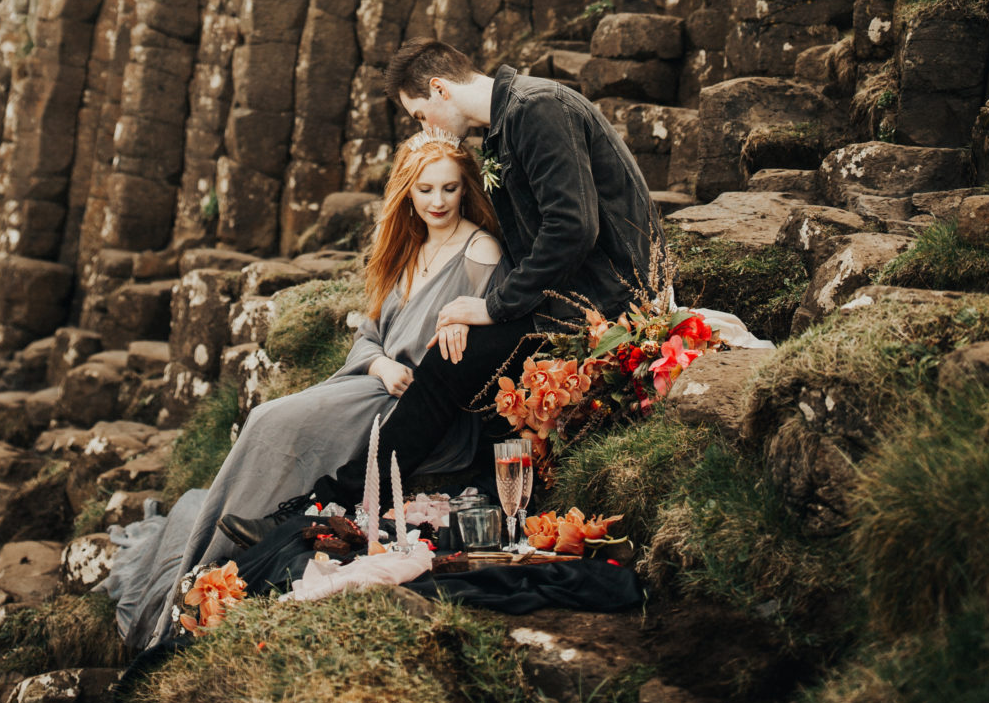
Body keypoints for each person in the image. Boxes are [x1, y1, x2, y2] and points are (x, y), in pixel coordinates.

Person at [227, 41, 665, 541]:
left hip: (603, 302)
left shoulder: (538, 108)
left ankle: (327, 506)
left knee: (445, 366)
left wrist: (492, 307)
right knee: (455, 356)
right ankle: (343, 505)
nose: (424, 129)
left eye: (420, 114)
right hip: (566, 295)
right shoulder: (506, 126)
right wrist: (472, 314)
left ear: (439, 89)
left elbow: (572, 228)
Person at [102, 129, 502, 654]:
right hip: (379, 384)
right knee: (268, 419)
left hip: (425, 403)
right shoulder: (407, 249)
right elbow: (369, 335)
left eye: (449, 189)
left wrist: (465, 327)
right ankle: (208, 550)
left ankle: (225, 547)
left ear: (465, 188)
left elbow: (495, 324)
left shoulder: (480, 250)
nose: (437, 202)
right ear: (407, 191)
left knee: (272, 421)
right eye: (425, 190)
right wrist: (380, 365)